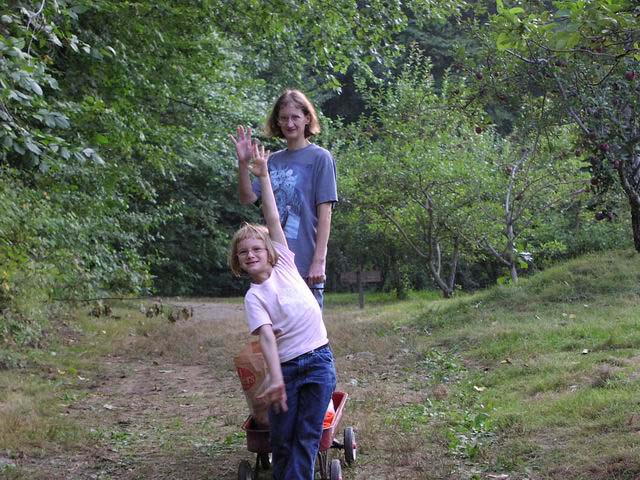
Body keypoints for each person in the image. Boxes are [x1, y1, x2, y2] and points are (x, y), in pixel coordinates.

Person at [228, 142, 337, 480]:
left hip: (318, 361)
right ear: (238, 262)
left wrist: (264, 176)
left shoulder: (287, 264)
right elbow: (267, 340)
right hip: (287, 371)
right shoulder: (254, 297)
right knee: (282, 443)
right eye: (243, 252)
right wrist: (275, 377)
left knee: (306, 438)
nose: (251, 254)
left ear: (271, 251)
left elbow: (272, 217)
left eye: (257, 247)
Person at [231, 89, 338, 308]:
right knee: (278, 332)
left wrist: (319, 262)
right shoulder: (272, 160)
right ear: (277, 121)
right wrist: (243, 164)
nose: (289, 123)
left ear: (307, 118)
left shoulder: (320, 158)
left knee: (308, 334)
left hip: (306, 262)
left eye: (295, 117)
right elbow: (247, 198)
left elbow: (325, 214)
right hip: (273, 261)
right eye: (284, 118)